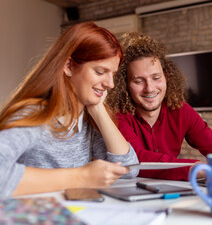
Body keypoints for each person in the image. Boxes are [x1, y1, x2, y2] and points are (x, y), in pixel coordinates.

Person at [0, 22, 139, 198]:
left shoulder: (86, 120)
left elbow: (128, 170)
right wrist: (81, 176)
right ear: (68, 66)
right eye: (100, 71)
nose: (110, 84)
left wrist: (98, 109)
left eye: (113, 74)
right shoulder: (35, 114)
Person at [106, 32, 212, 181]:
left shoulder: (182, 111)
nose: (149, 88)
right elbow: (136, 159)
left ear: (166, 77)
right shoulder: (117, 116)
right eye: (138, 81)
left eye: (156, 78)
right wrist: (196, 168)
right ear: (125, 85)